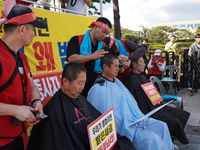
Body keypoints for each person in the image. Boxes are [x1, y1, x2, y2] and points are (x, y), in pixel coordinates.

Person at [27, 62, 136, 150]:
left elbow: (96, 119)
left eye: (84, 83)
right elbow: (60, 143)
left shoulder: (80, 98)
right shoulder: (53, 109)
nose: (82, 87)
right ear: (65, 81)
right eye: (80, 83)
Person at [87, 53, 174, 150]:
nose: (118, 69)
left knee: (162, 126)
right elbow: (104, 118)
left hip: (136, 119)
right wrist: (128, 123)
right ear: (105, 67)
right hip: (124, 127)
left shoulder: (116, 81)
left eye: (118, 65)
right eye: (115, 66)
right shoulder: (99, 89)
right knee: (152, 139)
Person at [0, 1, 46, 149]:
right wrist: (14, 110)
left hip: (16, 136)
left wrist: (36, 100)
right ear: (21, 29)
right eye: (33, 29)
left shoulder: (21, 57)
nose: (34, 34)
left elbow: (32, 85)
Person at [124, 56, 191, 146]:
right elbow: (137, 101)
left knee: (181, 114)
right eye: (142, 62)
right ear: (134, 64)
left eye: (144, 62)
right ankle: (168, 142)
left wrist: (157, 97)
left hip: (156, 105)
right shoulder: (131, 81)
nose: (145, 65)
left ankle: (170, 140)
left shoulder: (142, 76)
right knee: (174, 121)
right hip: (147, 110)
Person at [67, 17, 117, 98]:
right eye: (104, 32)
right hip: (78, 88)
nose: (104, 36)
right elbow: (71, 58)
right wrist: (92, 56)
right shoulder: (77, 40)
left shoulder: (104, 46)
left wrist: (119, 62)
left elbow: (109, 62)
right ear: (96, 27)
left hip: (97, 88)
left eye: (106, 34)